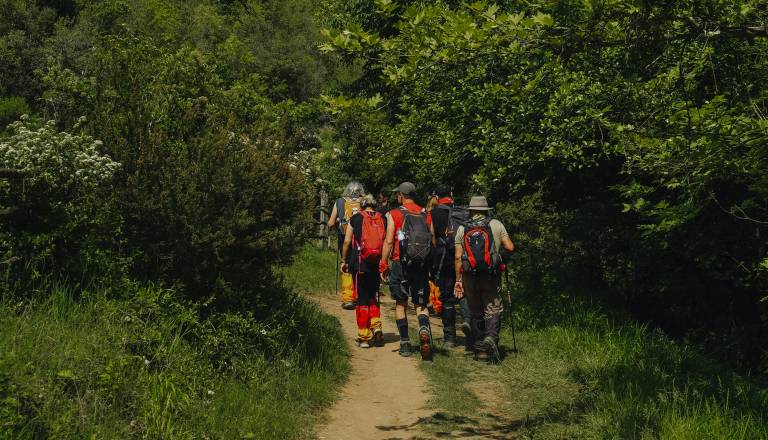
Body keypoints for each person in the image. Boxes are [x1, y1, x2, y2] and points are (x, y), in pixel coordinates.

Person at [453, 196, 514, 363]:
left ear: (471, 210)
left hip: (469, 276)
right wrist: (500, 259)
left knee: (476, 311)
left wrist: (458, 280)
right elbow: (510, 247)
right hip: (490, 275)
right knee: (493, 308)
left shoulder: (462, 228)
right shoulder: (495, 224)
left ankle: (480, 350)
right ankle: (491, 340)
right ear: (486, 210)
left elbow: (458, 257)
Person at [380, 182, 435, 360]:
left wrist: (383, 264)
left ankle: (404, 343)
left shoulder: (394, 214)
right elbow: (432, 242)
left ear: (400, 196)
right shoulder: (426, 214)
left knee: (401, 304)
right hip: (420, 266)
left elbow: (389, 241)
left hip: (400, 264)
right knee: (421, 304)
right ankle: (424, 328)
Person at [429, 184, 471, 349]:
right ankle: (469, 326)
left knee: (447, 298)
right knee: (464, 294)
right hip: (463, 259)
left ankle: (449, 338)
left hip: (443, 261)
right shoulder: (464, 212)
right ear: (452, 194)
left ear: (437, 198)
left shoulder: (432, 214)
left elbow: (431, 239)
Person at [341, 195, 386, 348]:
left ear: (362, 205)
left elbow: (347, 241)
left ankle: (364, 337)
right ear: (374, 205)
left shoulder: (356, 218)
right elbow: (386, 242)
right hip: (375, 263)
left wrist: (343, 260)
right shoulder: (382, 218)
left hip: (360, 263)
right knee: (373, 296)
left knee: (361, 299)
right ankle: (376, 325)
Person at [328, 181, 365, 310]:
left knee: (347, 265)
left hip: (345, 238)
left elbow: (331, 223)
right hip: (363, 240)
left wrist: (333, 226)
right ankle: (361, 296)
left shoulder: (339, 201)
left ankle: (348, 298)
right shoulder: (365, 201)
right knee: (361, 265)